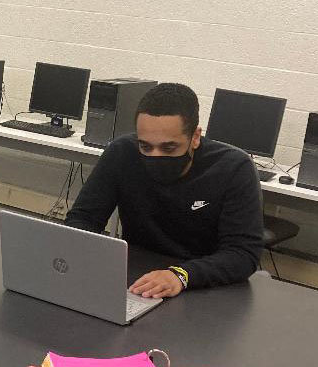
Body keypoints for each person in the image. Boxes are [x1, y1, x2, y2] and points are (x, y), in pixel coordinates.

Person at [65, 83, 263, 298]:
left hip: (202, 287)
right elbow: (82, 219)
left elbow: (243, 254)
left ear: (195, 137)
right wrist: (94, 260)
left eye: (169, 148)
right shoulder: (122, 153)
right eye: (145, 147)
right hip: (137, 281)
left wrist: (181, 275)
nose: (155, 156)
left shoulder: (233, 167)